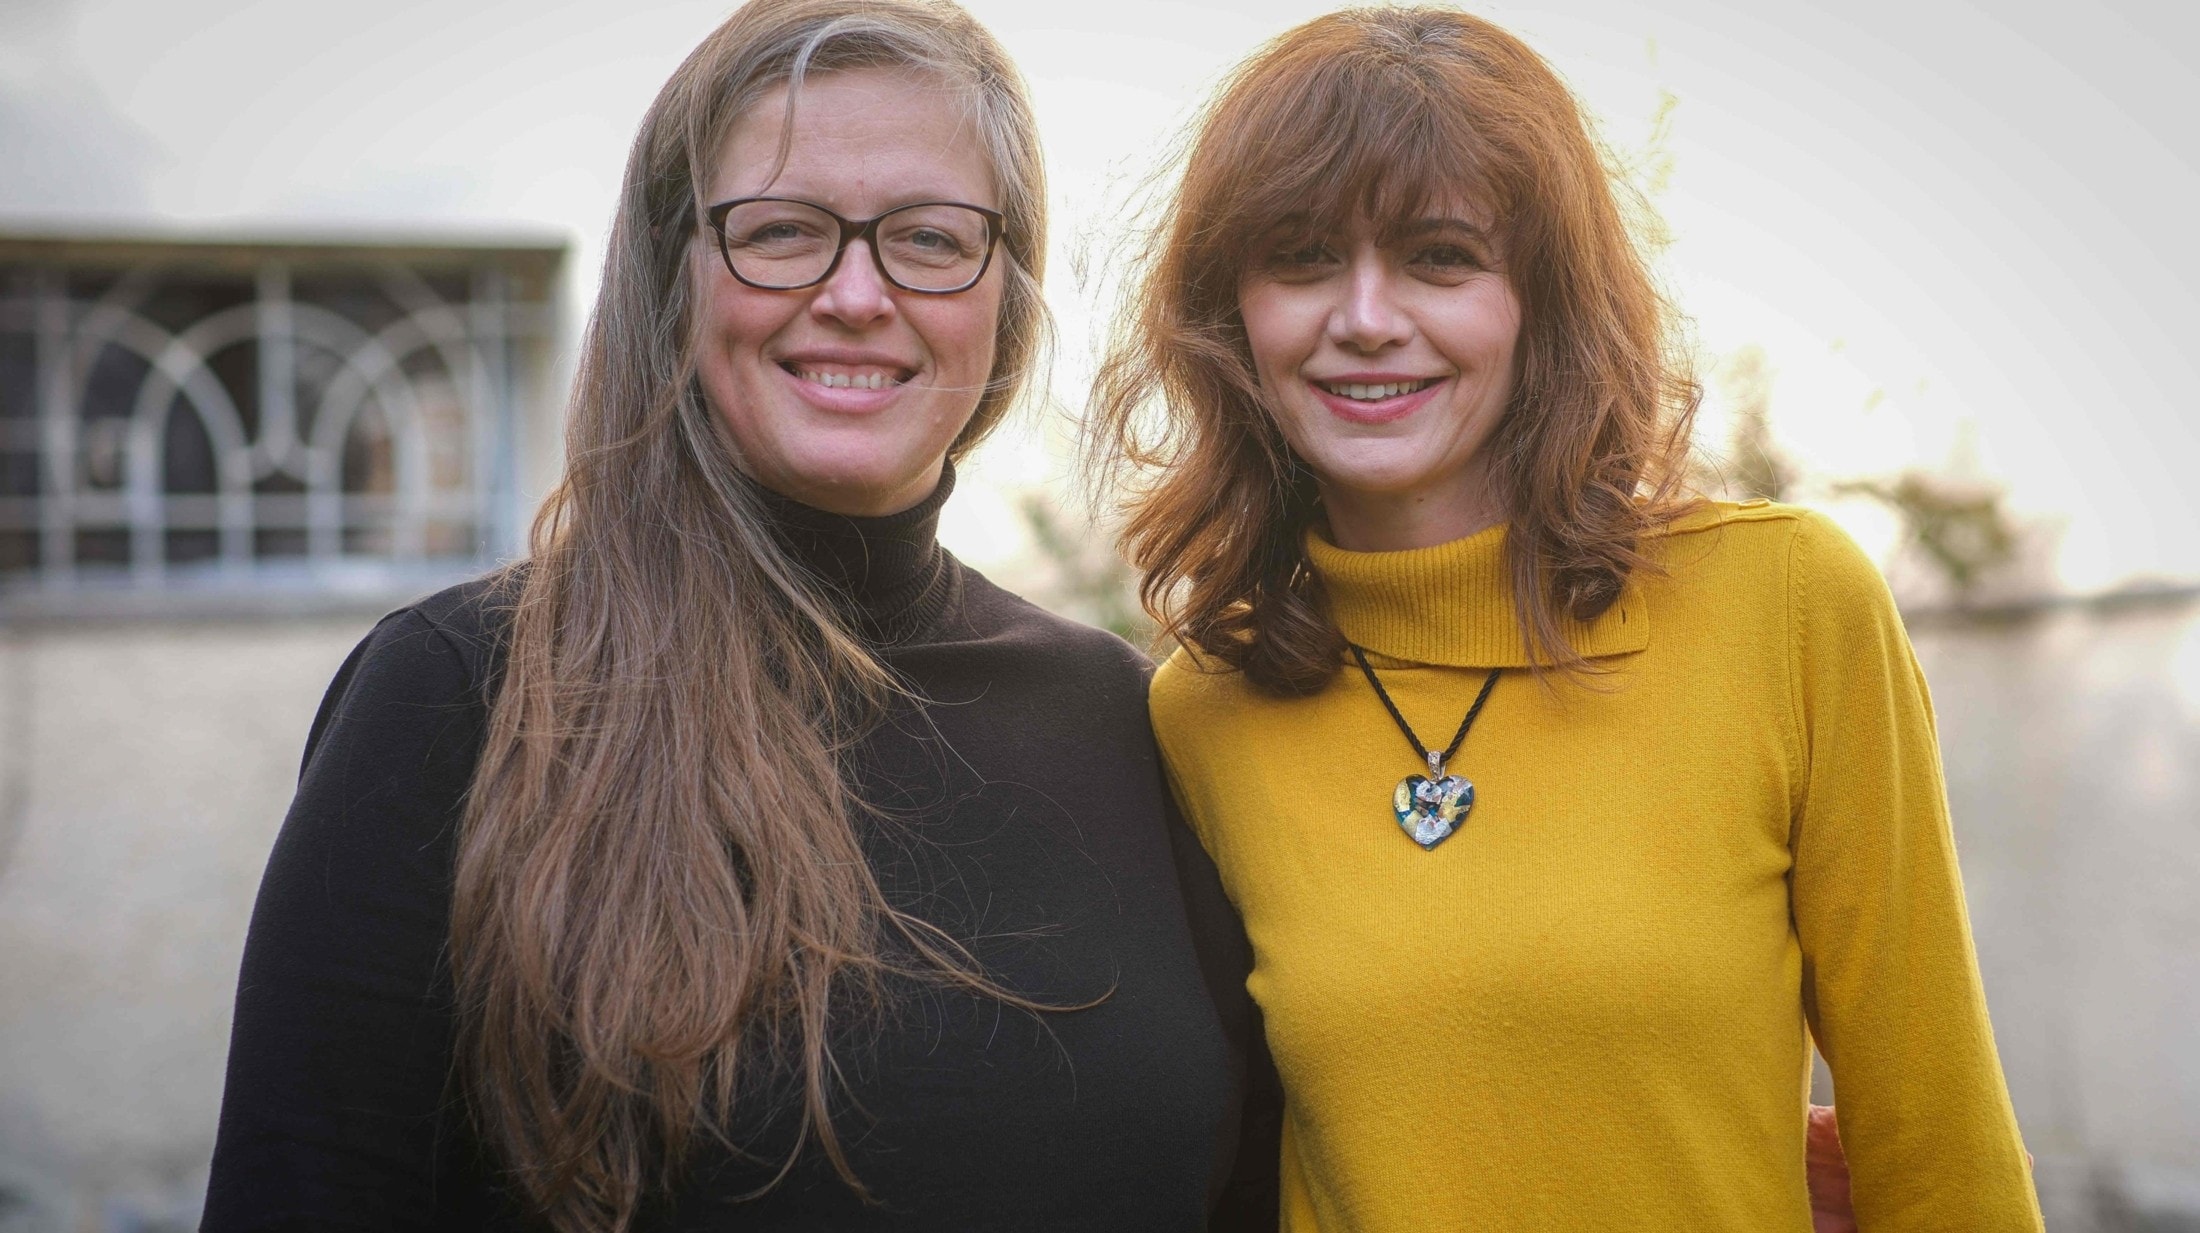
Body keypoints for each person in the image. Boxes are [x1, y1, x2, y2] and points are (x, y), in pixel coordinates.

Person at [201, 1, 1278, 1229]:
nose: (857, 293)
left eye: (929, 238)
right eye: (782, 231)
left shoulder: (1122, 715)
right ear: (678, 275)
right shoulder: (463, 695)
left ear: (1004, 292)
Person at [1092, 7, 2042, 1231]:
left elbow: (1936, 1145)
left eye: (1440, 256)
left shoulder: (1789, 608)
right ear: (1231, 315)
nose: (1367, 315)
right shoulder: (1204, 710)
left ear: (1542, 300)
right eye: (1303, 255)